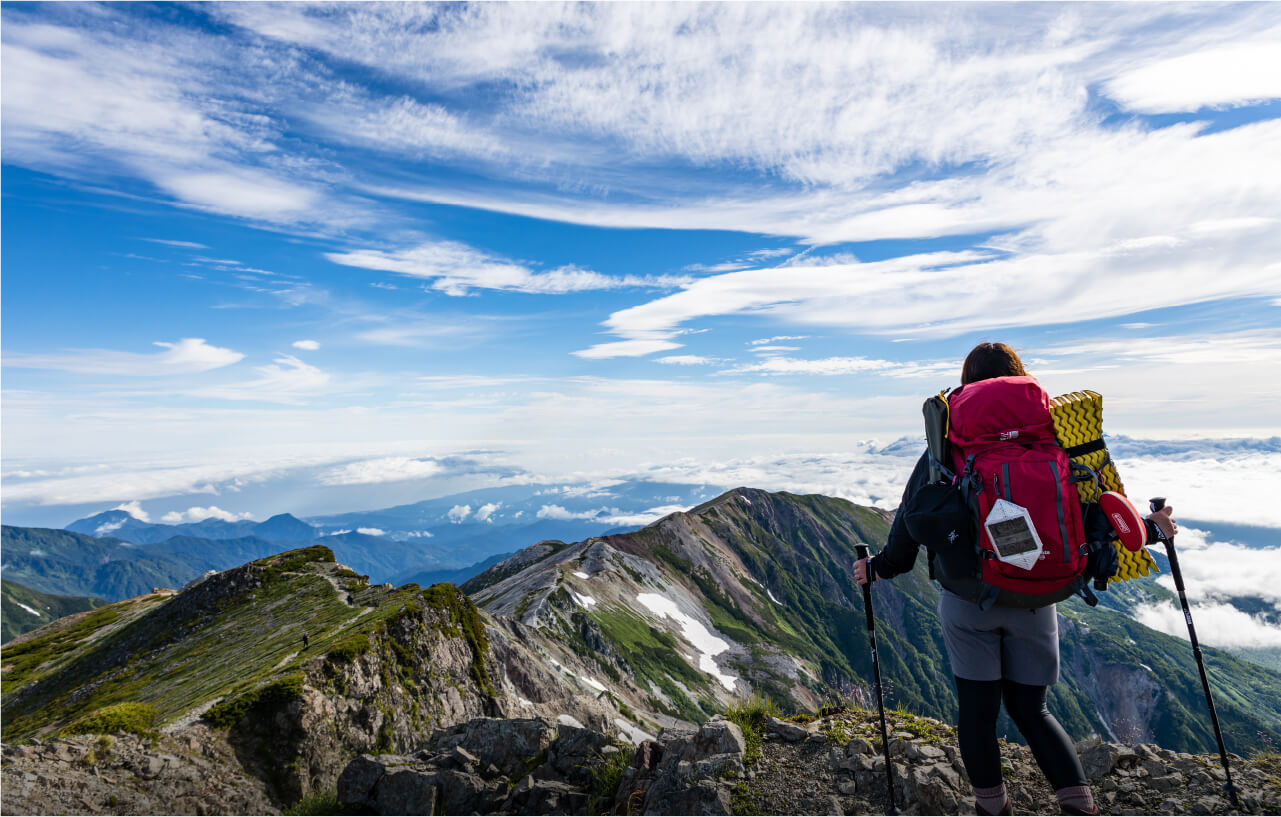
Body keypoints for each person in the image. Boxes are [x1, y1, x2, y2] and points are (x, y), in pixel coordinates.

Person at [853, 342, 1177, 817]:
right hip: (1038, 596)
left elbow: (909, 521)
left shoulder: (948, 441)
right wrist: (1151, 529)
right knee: (1033, 710)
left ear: (966, 384)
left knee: (978, 715)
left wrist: (878, 567)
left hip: (969, 599)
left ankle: (993, 810)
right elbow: (1100, 517)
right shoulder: (1056, 434)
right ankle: (1078, 807)